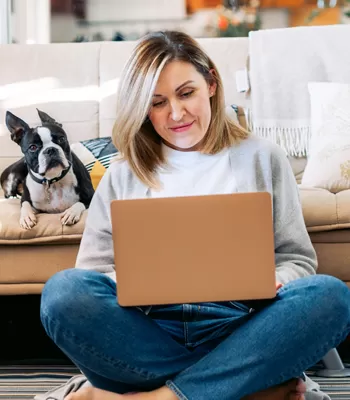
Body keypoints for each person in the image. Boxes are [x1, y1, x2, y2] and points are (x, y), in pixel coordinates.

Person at [40, 30, 350, 400]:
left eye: (186, 93)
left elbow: (296, 258)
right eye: (157, 102)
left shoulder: (263, 157)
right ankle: (242, 388)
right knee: (62, 294)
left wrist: (277, 279)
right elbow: (91, 273)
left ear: (212, 84)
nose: (176, 113)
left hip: (241, 322)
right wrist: (130, 280)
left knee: (330, 296)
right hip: (149, 327)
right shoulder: (123, 175)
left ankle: (154, 396)